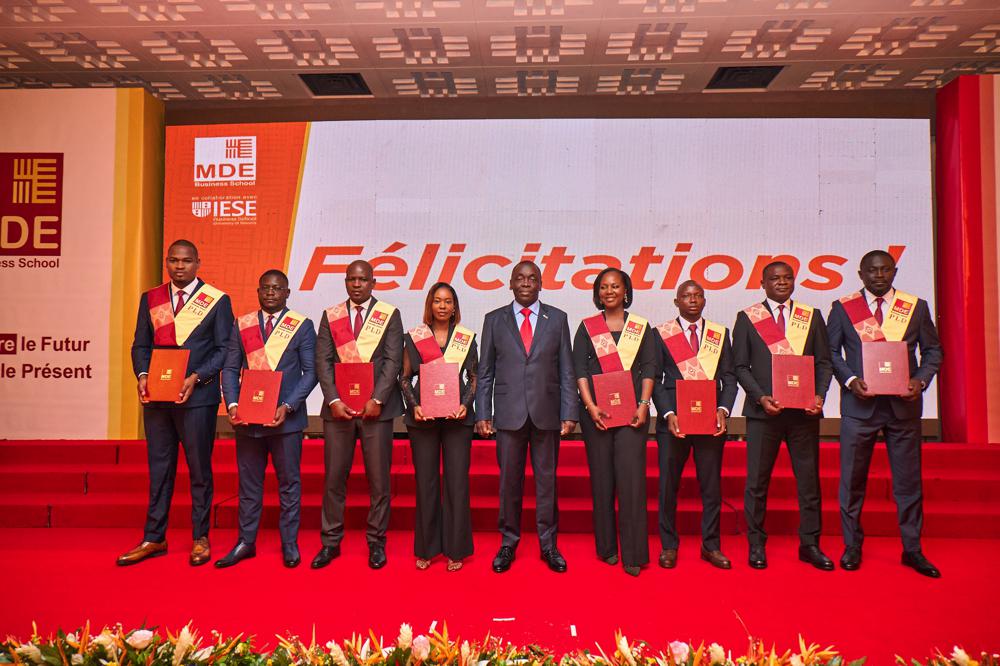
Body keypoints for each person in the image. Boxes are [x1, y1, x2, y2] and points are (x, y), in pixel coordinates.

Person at [827, 250, 943, 577]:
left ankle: (912, 549)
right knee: (852, 481)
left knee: (908, 482)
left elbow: (933, 350)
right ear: (861, 274)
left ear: (894, 272)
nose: (879, 276)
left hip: (903, 407)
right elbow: (831, 352)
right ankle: (852, 546)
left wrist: (920, 380)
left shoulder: (916, 307)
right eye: (872, 271)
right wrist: (850, 380)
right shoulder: (843, 308)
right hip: (859, 407)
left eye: (885, 270)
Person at [118, 239, 233, 567]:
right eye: (173, 260)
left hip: (197, 399)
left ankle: (201, 537)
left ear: (198, 263)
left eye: (186, 261)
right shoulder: (151, 298)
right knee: (159, 469)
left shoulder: (217, 300)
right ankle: (154, 537)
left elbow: (224, 350)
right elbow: (140, 345)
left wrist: (196, 377)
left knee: (199, 471)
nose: (179, 266)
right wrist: (143, 375)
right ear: (167, 263)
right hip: (157, 398)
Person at [476, 261, 578, 574]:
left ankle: (549, 545)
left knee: (547, 483)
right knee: (509, 483)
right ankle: (508, 543)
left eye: (531, 278)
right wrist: (484, 412)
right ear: (510, 283)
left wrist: (569, 412)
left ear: (540, 284)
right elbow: (485, 372)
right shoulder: (494, 320)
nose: (525, 283)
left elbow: (567, 369)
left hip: (547, 413)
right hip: (509, 415)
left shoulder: (557, 318)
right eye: (519, 278)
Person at [732, 261, 833, 571]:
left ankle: (810, 544)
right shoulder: (748, 317)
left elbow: (824, 363)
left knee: (809, 482)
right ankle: (756, 543)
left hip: (803, 414)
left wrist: (819, 395)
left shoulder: (811, 316)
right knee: (756, 483)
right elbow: (740, 367)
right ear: (762, 283)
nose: (782, 282)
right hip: (764, 414)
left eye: (787, 277)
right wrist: (760, 397)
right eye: (774, 278)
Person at [217, 270, 317, 569]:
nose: (271, 293)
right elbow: (230, 369)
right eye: (265, 288)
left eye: (277, 288)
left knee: (289, 484)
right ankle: (246, 542)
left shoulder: (301, 325)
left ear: (287, 293)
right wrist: (233, 405)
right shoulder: (242, 323)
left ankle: (289, 543)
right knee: (249, 485)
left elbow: (311, 372)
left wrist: (288, 405)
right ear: (258, 291)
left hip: (286, 421)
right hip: (248, 420)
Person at [313, 260, 403, 570]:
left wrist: (377, 399)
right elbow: (322, 361)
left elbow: (393, 361)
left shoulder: (389, 314)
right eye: (352, 279)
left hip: (376, 411)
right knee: (334, 479)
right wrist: (333, 399)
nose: (357, 284)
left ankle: (376, 542)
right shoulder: (331, 315)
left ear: (373, 283)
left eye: (363, 279)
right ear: (346, 282)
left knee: (379, 481)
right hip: (338, 410)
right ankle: (330, 542)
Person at [573, 268, 656, 576]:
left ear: (626, 291)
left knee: (632, 484)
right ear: (598, 293)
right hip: (596, 416)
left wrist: (644, 405)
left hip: (633, 415)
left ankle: (633, 554)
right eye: (603, 287)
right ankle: (607, 547)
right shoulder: (587, 327)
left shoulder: (641, 327)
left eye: (615, 286)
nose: (609, 291)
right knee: (602, 481)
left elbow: (650, 368)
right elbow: (579, 370)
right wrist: (590, 406)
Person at [653, 280, 738, 570]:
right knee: (668, 486)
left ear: (704, 300)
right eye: (686, 296)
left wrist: (723, 409)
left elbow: (729, 378)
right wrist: (668, 413)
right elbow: (655, 379)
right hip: (673, 423)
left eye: (697, 295)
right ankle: (669, 545)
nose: (692, 300)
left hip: (710, 422)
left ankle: (711, 546)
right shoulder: (661, 334)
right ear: (676, 302)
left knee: (711, 487)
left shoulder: (719, 334)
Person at [399, 282, 477, 571]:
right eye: (437, 301)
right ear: (430, 305)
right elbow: (404, 377)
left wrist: (466, 404)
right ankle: (427, 548)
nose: (442, 306)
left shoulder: (466, 337)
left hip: (458, 420)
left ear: (454, 307)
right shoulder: (415, 337)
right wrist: (414, 406)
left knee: (457, 484)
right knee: (427, 483)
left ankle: (456, 549)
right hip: (423, 420)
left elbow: (474, 377)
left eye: (448, 301)